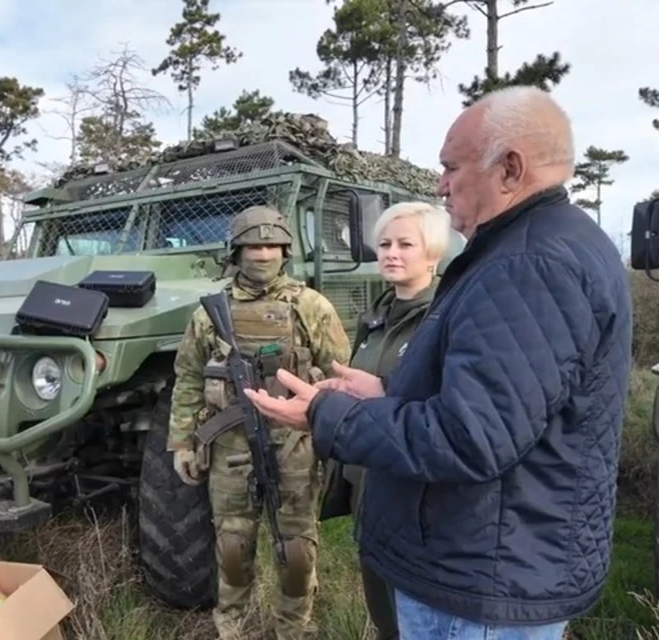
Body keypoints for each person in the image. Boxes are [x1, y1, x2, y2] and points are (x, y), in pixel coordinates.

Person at [241, 85, 633, 640]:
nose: (439, 184)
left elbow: (471, 438)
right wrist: (388, 395)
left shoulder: (527, 267)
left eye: (451, 167)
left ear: (510, 169)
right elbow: (500, 407)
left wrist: (328, 414)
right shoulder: (549, 247)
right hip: (495, 560)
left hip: (477, 584)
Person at [167, 204, 351, 640]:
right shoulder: (209, 314)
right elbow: (189, 377)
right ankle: (233, 628)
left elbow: (343, 376)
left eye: (270, 244)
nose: (262, 254)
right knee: (232, 547)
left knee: (296, 551)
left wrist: (337, 436)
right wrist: (183, 443)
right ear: (236, 251)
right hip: (230, 445)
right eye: (252, 244)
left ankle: (294, 628)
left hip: (294, 445)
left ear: (285, 250)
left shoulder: (310, 306)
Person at [319, 201, 452, 640]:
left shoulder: (446, 318)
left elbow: (447, 402)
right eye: (384, 244)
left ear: (432, 255)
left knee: (418, 617)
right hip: (368, 485)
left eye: (406, 244)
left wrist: (385, 388)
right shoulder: (375, 318)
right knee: (384, 616)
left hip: (413, 490)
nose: (392, 253)